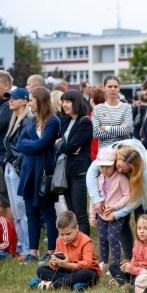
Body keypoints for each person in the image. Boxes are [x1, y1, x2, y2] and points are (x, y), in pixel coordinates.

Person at [86, 139, 147, 260]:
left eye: (124, 170)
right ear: (116, 159)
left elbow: (138, 199)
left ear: (132, 169)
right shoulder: (110, 154)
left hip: (141, 184)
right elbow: (90, 174)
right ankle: (130, 257)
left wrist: (117, 213)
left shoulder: (144, 168)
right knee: (123, 222)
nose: (119, 171)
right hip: (118, 191)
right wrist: (97, 199)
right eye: (118, 166)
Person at [16, 86, 61, 264]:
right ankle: (32, 253)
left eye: (32, 100)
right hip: (28, 172)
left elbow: (41, 145)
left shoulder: (53, 121)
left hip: (44, 173)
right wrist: (34, 144)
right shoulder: (31, 120)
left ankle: (51, 251)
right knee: (31, 213)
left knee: (48, 213)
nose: (29, 103)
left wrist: (32, 143)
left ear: (40, 101)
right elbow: (20, 144)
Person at [31, 211, 101, 291]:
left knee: (84, 274)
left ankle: (53, 285)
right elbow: (56, 261)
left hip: (87, 271)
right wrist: (54, 263)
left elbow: (87, 264)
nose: (65, 238)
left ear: (77, 228)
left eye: (68, 234)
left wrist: (67, 264)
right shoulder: (59, 240)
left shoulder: (86, 241)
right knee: (41, 270)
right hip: (67, 271)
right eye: (62, 234)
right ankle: (75, 283)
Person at [56, 90, 93, 236]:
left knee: (80, 214)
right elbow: (59, 144)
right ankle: (73, 247)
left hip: (78, 171)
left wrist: (62, 145)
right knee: (71, 213)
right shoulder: (65, 120)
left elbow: (71, 146)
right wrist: (60, 145)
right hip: (66, 170)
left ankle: (86, 248)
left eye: (68, 101)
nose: (64, 105)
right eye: (63, 101)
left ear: (76, 102)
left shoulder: (84, 122)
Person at [89, 148, 130, 270]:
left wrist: (115, 207)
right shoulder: (99, 178)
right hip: (101, 214)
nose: (104, 169)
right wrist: (92, 215)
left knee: (112, 238)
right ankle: (103, 262)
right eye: (101, 167)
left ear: (114, 165)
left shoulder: (121, 178)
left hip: (116, 214)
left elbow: (127, 196)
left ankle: (115, 263)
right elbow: (94, 196)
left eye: (107, 166)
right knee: (102, 238)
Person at [4, 87, 31, 259]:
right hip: (10, 167)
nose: (10, 100)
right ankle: (21, 247)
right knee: (16, 212)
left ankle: (27, 249)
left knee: (22, 211)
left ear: (24, 100)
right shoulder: (15, 119)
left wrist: (15, 164)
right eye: (9, 98)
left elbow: (24, 147)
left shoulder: (27, 120)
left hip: (17, 169)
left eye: (14, 98)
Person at [109, 214, 147, 287]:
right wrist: (128, 266)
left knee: (136, 280)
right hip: (134, 271)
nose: (141, 231)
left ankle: (122, 282)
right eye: (139, 228)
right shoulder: (137, 243)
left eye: (146, 228)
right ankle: (125, 284)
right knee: (113, 266)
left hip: (146, 274)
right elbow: (134, 261)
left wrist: (135, 270)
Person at [92, 75, 132, 149]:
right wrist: (119, 130)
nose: (113, 89)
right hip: (104, 153)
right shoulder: (98, 108)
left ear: (119, 88)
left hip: (122, 152)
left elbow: (127, 130)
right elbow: (95, 133)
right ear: (104, 88)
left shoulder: (126, 107)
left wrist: (105, 128)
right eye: (110, 86)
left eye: (115, 86)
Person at [0, 71, 14, 226]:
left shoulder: (8, 106)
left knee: (5, 201)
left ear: (6, 85)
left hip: (3, 158)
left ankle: (8, 238)